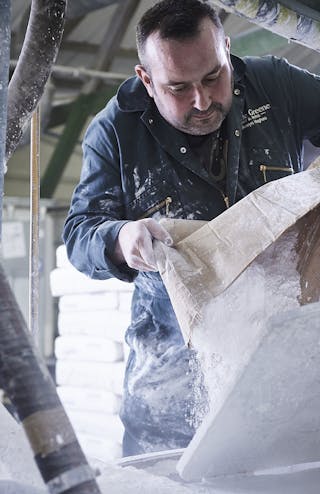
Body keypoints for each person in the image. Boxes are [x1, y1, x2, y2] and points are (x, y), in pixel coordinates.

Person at [63, 0, 320, 456]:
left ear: (226, 48)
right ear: (146, 79)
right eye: (178, 88)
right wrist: (120, 238)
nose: (201, 101)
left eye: (212, 77)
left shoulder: (275, 85)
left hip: (283, 362)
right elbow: (81, 233)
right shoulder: (116, 131)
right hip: (172, 383)